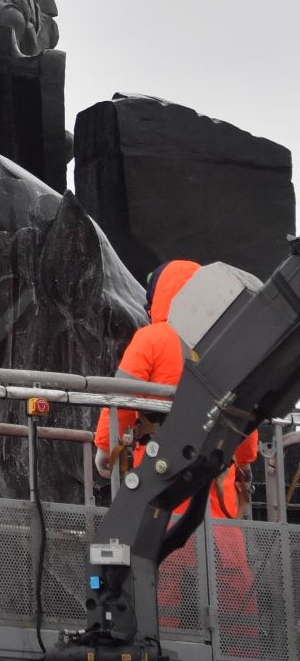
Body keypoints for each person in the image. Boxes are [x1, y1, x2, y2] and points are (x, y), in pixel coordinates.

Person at [95, 259, 258, 629]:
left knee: (157, 572)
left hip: (160, 483)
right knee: (233, 584)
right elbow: (245, 421)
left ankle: (160, 641)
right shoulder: (226, 343)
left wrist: (105, 450)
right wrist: (244, 460)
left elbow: (120, 397)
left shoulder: (153, 338)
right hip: (216, 488)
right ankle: (241, 650)